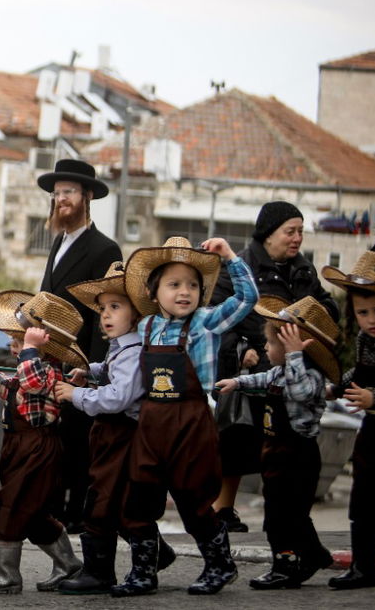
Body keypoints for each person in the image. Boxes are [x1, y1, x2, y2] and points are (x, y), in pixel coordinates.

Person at [113, 236, 256, 597]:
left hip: (191, 423)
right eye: (174, 284)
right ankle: (143, 573)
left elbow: (247, 300)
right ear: (153, 290)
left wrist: (230, 258)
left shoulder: (207, 321)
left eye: (193, 285)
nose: (185, 292)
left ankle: (220, 565)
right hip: (151, 424)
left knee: (194, 498)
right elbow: (126, 367)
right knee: (138, 497)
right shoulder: (145, 327)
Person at [210, 201, 337, 533]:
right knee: (236, 438)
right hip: (252, 366)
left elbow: (325, 305)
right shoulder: (241, 266)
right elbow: (218, 318)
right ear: (268, 234)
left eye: (300, 231)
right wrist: (240, 352)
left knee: (285, 448)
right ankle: (222, 509)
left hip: (291, 367)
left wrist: (317, 316)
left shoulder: (303, 268)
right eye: (289, 231)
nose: (297, 238)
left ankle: (286, 517)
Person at [55, 261, 173, 594]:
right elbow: (110, 370)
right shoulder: (122, 348)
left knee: (108, 502)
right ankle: (155, 555)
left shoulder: (135, 352)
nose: (105, 315)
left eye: (115, 307)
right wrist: (89, 372)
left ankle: (101, 571)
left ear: (136, 313)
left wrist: (76, 394)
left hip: (126, 440)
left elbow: (119, 396)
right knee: (109, 501)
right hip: (112, 439)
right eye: (103, 308)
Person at [215, 296, 338, 589]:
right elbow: (260, 380)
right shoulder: (279, 372)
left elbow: (301, 393)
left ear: (291, 347)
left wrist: (295, 356)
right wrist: (236, 383)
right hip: (275, 454)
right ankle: (314, 554)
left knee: (286, 516)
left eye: (271, 344)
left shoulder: (310, 376)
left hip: (298, 456)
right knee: (280, 512)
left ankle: (285, 564)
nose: (266, 349)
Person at [0, 291, 84, 594]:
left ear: (44, 348)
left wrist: (30, 349)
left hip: (36, 449)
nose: (13, 347)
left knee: (12, 505)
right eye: (17, 343)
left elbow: (31, 383)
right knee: (31, 512)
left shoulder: (46, 370)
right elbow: (13, 391)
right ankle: (68, 564)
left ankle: (5, 574)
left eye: (18, 343)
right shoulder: (30, 368)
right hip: (18, 446)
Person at [36, 158, 123, 531]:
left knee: (79, 441)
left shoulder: (105, 248)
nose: (61, 200)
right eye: (57, 194)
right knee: (55, 439)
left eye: (68, 192)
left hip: (83, 363)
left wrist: (93, 368)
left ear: (87, 196)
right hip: (50, 359)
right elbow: (46, 299)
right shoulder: (58, 242)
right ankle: (54, 508)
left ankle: (77, 512)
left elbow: (107, 315)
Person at [322, 250, 375, 590]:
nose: (372, 319)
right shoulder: (365, 340)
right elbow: (360, 373)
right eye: (364, 313)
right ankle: (364, 568)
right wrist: (337, 387)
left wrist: (374, 398)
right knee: (363, 501)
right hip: (372, 431)